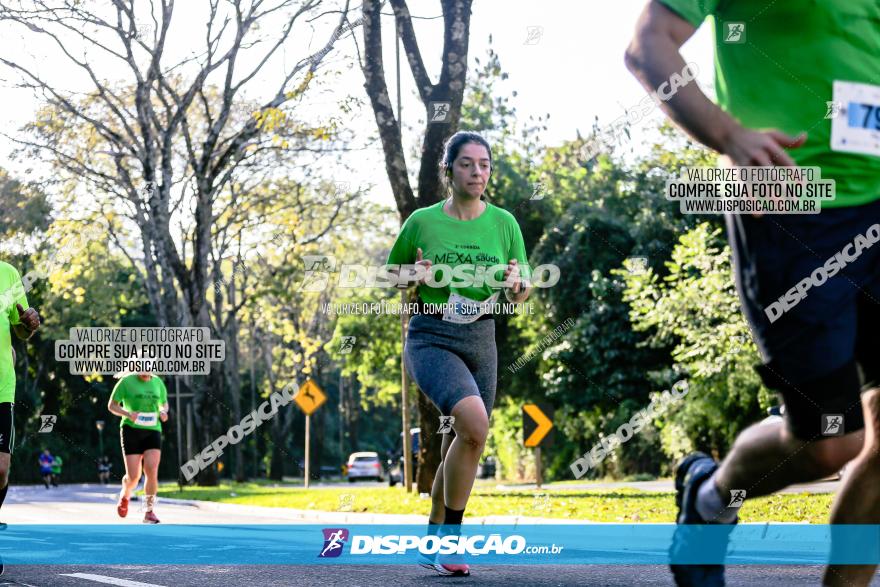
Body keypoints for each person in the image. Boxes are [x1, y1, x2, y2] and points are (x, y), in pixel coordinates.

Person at [626, 2, 880, 586]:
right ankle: (709, 499)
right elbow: (649, 43)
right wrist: (727, 134)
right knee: (829, 443)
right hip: (792, 206)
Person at [386, 131, 532, 576]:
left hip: (481, 339)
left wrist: (517, 284)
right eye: (467, 163)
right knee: (474, 425)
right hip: (431, 335)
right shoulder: (422, 221)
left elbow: (523, 290)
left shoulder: (504, 223)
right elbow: (391, 275)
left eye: (484, 164)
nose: (477, 172)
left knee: (465, 438)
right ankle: (451, 539)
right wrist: (414, 273)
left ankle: (432, 532)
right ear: (448, 170)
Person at [107, 371, 169, 524]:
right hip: (131, 431)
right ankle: (125, 494)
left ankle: (148, 512)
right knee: (134, 477)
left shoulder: (157, 382)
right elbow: (112, 405)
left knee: (151, 470)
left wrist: (163, 411)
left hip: (153, 429)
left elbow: (164, 402)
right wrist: (127, 413)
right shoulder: (126, 382)